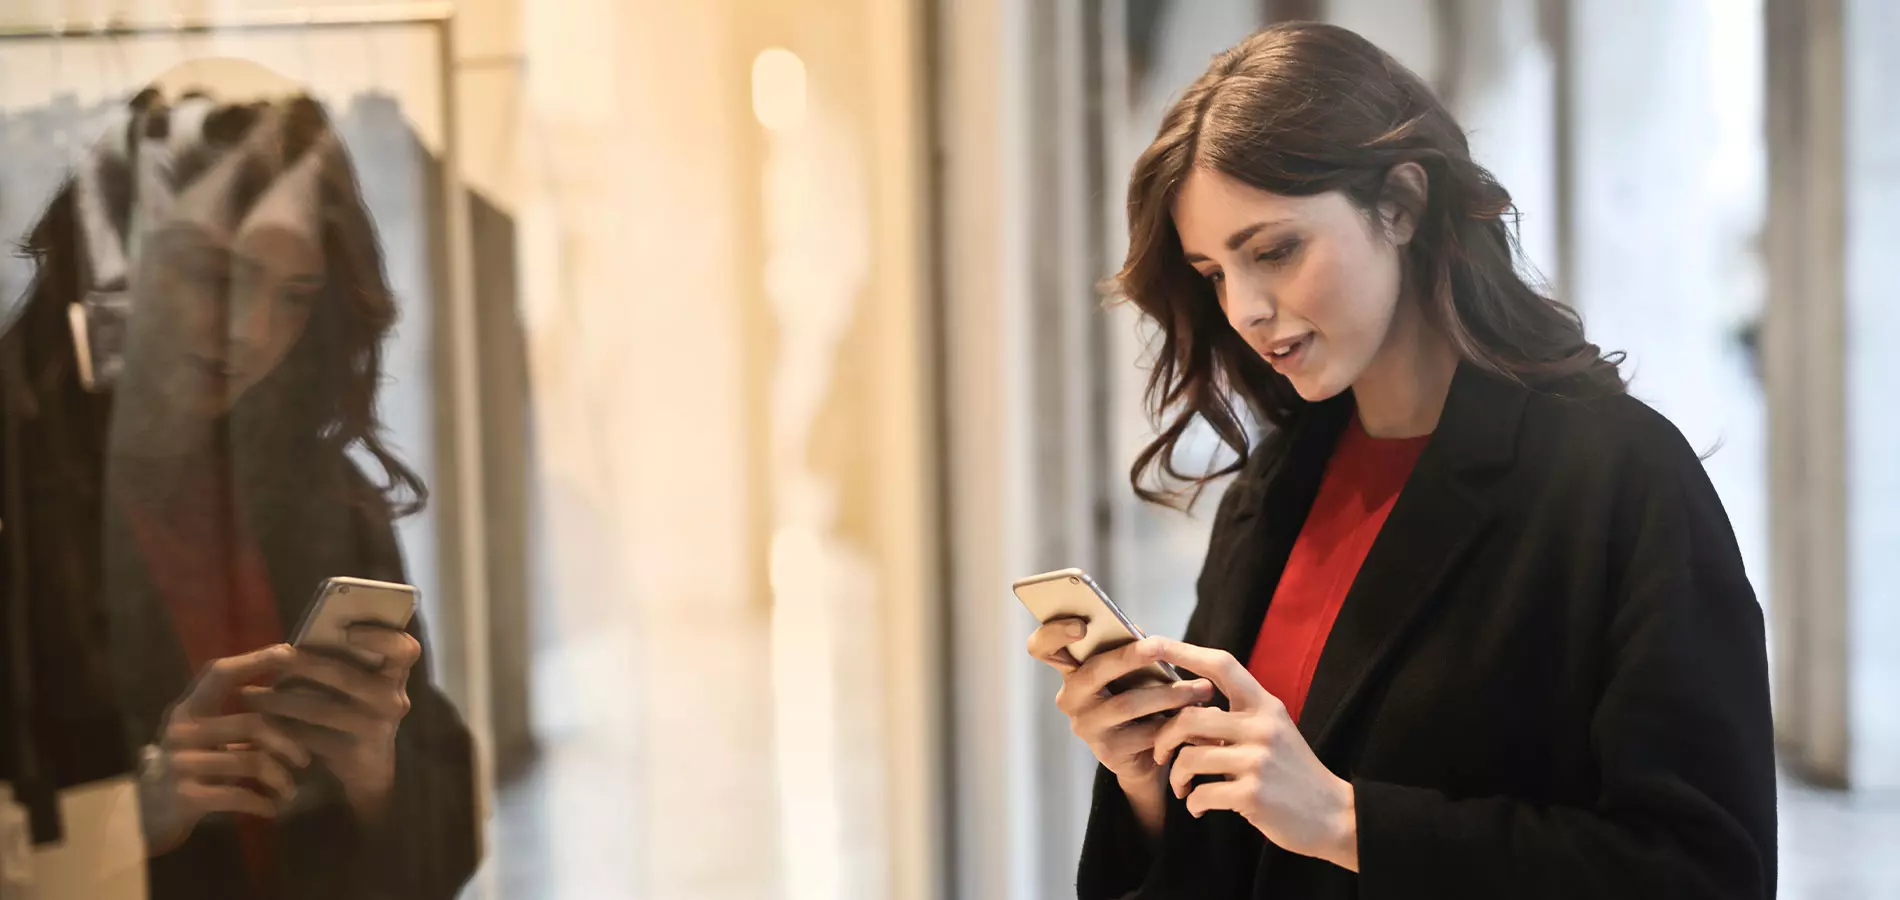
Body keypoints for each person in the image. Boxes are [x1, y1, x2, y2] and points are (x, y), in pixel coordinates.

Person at [1025, 23, 1775, 900]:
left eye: (1274, 251)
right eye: (1214, 272)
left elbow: (1705, 874)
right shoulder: (1276, 487)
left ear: (1402, 203)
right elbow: (1240, 845)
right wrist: (1148, 782)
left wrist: (1348, 822)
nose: (1245, 309)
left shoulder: (1617, 478)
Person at [0, 69, 477, 899]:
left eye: (291, 295)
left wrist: (375, 773)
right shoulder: (18, 482)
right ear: (111, 261)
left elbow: (445, 839)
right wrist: (138, 816)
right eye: (210, 275)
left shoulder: (322, 492)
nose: (247, 333)